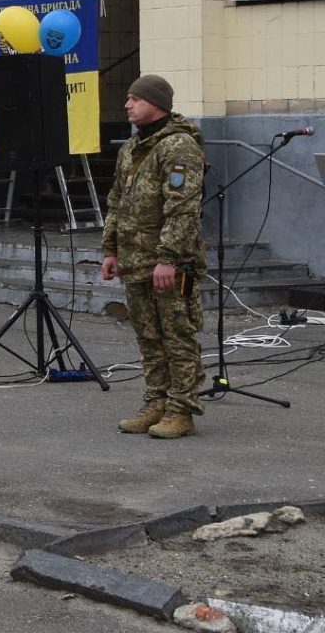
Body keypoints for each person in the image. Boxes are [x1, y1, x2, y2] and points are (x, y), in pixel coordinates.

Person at [100, 75, 207, 439]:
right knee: (148, 336)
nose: (127, 105)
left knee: (177, 335)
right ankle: (156, 403)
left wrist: (170, 258)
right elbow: (116, 201)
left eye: (135, 99)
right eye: (128, 98)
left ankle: (181, 410)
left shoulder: (179, 146)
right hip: (134, 259)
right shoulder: (131, 148)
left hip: (169, 262)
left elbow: (183, 209)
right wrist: (111, 249)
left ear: (157, 103)